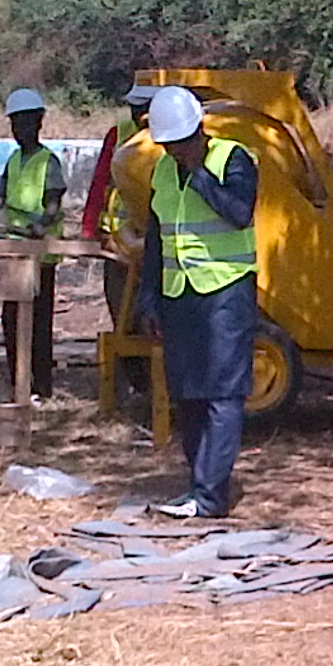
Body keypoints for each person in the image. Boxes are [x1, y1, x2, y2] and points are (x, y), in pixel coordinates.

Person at [135, 84, 258, 519]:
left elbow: (240, 211)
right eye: (167, 146)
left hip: (226, 292)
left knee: (223, 394)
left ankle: (211, 496)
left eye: (181, 144)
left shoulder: (233, 159)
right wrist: (148, 299)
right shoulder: (163, 172)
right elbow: (157, 239)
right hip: (179, 294)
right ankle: (196, 486)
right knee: (187, 392)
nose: (174, 152)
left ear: (199, 132)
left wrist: (200, 174)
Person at [0, 88, 66, 395]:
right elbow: (2, 189)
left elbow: (54, 202)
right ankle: (17, 379)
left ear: (39, 123)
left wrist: (41, 225)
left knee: (38, 322)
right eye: (15, 124)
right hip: (13, 251)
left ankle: (42, 385)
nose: (19, 130)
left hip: (39, 254)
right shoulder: (14, 160)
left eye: (25, 123)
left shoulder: (49, 161)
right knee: (10, 320)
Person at [83, 83, 157, 329]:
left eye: (143, 109)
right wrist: (90, 229)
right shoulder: (119, 134)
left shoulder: (172, 138)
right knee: (123, 319)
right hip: (118, 244)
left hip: (153, 244)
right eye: (134, 109)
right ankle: (129, 366)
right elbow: (100, 181)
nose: (138, 116)